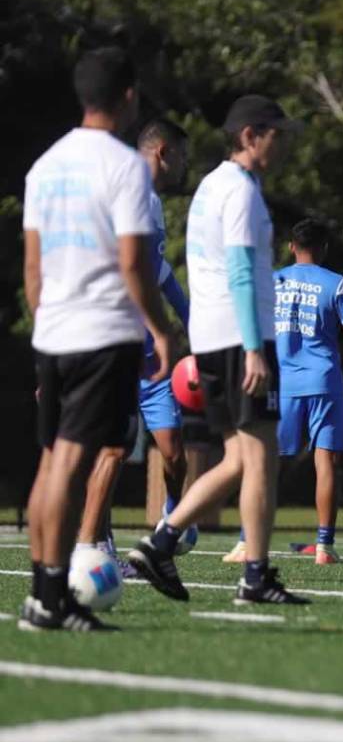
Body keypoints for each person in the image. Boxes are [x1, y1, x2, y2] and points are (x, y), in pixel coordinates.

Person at [128, 94, 309, 606]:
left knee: (238, 458)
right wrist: (254, 348)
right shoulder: (241, 192)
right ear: (250, 136)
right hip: (238, 338)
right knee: (261, 459)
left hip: (213, 339)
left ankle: (161, 542)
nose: (283, 145)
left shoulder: (211, 185)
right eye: (276, 135)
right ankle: (255, 576)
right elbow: (241, 272)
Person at [20, 47, 173, 631]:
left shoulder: (44, 166)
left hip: (55, 330)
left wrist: (47, 325)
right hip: (102, 331)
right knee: (72, 465)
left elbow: (33, 269)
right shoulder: (125, 166)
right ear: (128, 96)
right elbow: (134, 263)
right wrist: (160, 329)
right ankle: (51, 599)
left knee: (50, 463)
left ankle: (43, 595)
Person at [74, 119, 192, 573]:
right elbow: (116, 270)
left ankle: (169, 521)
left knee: (170, 452)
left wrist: (192, 322)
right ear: (163, 152)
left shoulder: (153, 203)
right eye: (182, 155)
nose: (184, 165)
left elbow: (158, 273)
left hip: (151, 361)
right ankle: (94, 548)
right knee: (110, 452)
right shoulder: (126, 191)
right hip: (117, 348)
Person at [242, 217, 343, 566]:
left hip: (281, 383)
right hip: (324, 381)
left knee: (265, 462)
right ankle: (324, 546)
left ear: (292, 247)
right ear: (324, 248)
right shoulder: (338, 283)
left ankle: (246, 540)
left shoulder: (272, 281)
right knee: (326, 462)